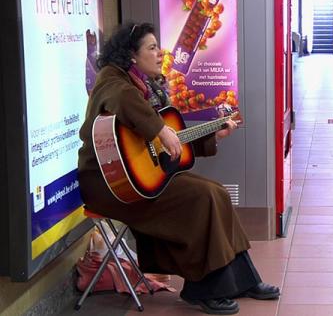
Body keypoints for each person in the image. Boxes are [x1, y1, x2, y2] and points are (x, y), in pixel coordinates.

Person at [77, 22, 280, 315]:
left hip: (133, 179)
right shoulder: (113, 81)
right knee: (203, 196)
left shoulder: (143, 85)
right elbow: (127, 105)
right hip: (109, 187)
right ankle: (204, 288)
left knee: (217, 193)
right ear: (132, 56)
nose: (160, 54)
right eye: (152, 48)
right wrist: (159, 129)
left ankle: (242, 279)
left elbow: (166, 144)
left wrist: (212, 136)